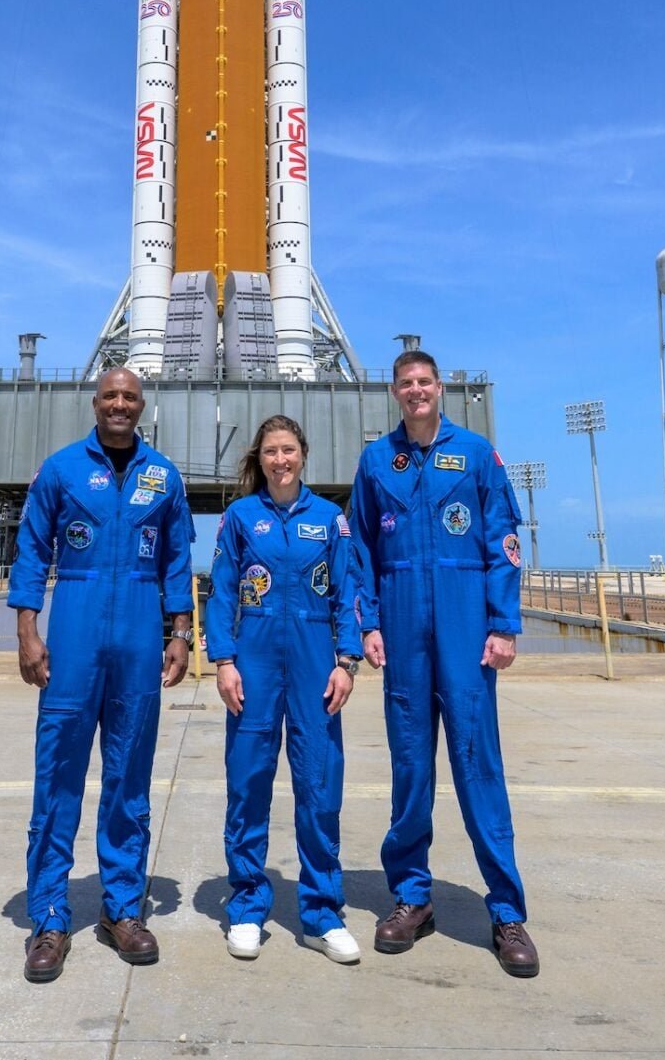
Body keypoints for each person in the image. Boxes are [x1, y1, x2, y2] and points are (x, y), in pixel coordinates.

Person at [351, 348, 539, 978]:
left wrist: (503, 624)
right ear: (394, 393)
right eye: (405, 384)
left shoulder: (477, 454)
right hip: (402, 633)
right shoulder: (377, 460)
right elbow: (362, 553)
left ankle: (507, 911)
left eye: (424, 382)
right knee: (410, 769)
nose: (415, 391)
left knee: (478, 767)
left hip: (464, 631)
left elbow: (503, 541)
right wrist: (369, 625)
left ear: (440, 387)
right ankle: (411, 898)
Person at [9, 366, 195, 983]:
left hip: (139, 636)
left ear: (142, 407)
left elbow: (175, 561)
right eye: (111, 395)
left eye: (130, 397)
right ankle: (50, 917)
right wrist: (28, 629)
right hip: (75, 633)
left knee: (128, 779)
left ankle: (121, 909)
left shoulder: (162, 476)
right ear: (96, 403)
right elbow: (33, 551)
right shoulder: (60, 470)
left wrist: (179, 633)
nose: (120, 404)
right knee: (57, 776)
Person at [206, 414, 373, 964]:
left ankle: (322, 914)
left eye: (290, 450)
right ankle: (249, 906)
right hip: (252, 662)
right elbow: (222, 592)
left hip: (313, 661)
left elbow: (348, 591)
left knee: (320, 785)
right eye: (272, 451)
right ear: (260, 457)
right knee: (248, 783)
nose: (282, 460)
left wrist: (346, 661)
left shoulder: (330, 519)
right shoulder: (238, 518)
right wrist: (223, 661)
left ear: (303, 454)